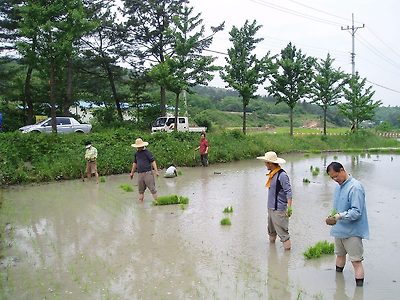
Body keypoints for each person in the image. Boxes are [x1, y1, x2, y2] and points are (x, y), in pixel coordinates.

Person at [325, 162, 369, 287]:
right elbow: (337, 208)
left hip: (353, 232)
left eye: (336, 176)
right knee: (339, 256)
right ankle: (339, 287)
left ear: (342, 170)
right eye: (332, 178)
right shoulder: (339, 186)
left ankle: (359, 292)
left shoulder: (355, 187)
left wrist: (339, 216)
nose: (335, 180)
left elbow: (356, 212)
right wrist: (332, 217)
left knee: (356, 262)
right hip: (339, 230)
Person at [257, 151, 293, 250]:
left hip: (279, 210)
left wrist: (289, 208)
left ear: (270, 163)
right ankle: (272, 252)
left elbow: (288, 192)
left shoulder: (282, 175)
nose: (265, 164)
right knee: (271, 232)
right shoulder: (272, 174)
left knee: (283, 235)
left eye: (266, 162)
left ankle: (287, 258)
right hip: (271, 208)